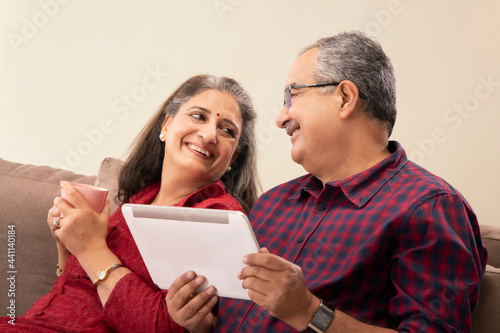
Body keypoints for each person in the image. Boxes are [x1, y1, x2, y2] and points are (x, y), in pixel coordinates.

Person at [167, 31, 487, 332]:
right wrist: (201, 323)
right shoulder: (272, 204)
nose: (280, 118)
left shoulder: (428, 207)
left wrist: (308, 311)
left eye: (292, 96)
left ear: (345, 98)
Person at [0, 74, 261, 332]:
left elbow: (161, 326)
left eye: (227, 130)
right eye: (198, 116)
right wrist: (67, 245)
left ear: (233, 158)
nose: (209, 134)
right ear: (166, 126)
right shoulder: (139, 199)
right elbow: (78, 291)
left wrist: (90, 248)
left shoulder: (217, 218)